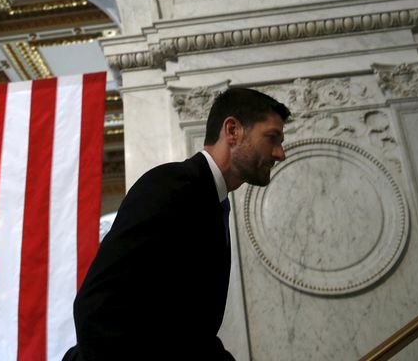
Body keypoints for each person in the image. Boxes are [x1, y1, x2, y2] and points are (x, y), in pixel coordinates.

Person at [63, 87, 290, 361]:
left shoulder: (211, 199)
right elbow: (97, 309)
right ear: (232, 131)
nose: (280, 153)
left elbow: (188, 333)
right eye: (272, 138)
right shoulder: (173, 186)